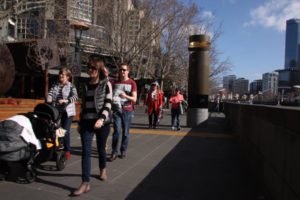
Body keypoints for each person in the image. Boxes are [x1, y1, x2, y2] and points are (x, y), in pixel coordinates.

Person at [73, 57, 113, 196]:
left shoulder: (105, 84)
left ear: (99, 69)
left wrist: (101, 119)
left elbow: (108, 103)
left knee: (101, 148)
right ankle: (85, 183)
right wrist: (79, 121)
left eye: (93, 68)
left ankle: (102, 169)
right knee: (86, 152)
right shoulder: (85, 85)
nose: (90, 70)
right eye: (89, 68)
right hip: (86, 122)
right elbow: (83, 105)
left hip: (102, 123)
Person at [47, 67, 78, 160]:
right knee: (57, 129)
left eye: (63, 74)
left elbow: (75, 97)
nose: (61, 75)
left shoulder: (71, 86)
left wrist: (66, 100)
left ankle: (67, 149)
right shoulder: (55, 85)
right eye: (60, 74)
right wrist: (49, 98)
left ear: (67, 77)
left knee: (65, 130)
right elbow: (50, 94)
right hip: (57, 111)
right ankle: (59, 147)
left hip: (68, 111)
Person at [109, 63, 137, 161]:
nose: (122, 71)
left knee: (125, 133)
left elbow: (134, 99)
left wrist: (126, 96)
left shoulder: (132, 83)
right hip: (117, 111)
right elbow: (110, 95)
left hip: (128, 111)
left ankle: (123, 150)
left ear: (128, 71)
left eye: (124, 70)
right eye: (121, 70)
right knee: (116, 131)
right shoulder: (114, 83)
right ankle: (114, 152)